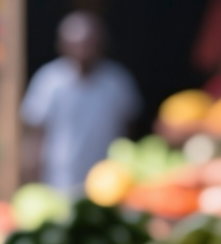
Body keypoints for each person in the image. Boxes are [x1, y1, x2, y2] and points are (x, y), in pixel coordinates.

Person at [21, 12, 141, 194]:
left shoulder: (117, 81)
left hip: (109, 182)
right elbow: (36, 130)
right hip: (58, 180)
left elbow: (130, 128)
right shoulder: (48, 80)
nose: (83, 51)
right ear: (62, 45)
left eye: (89, 44)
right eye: (77, 45)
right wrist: (34, 175)